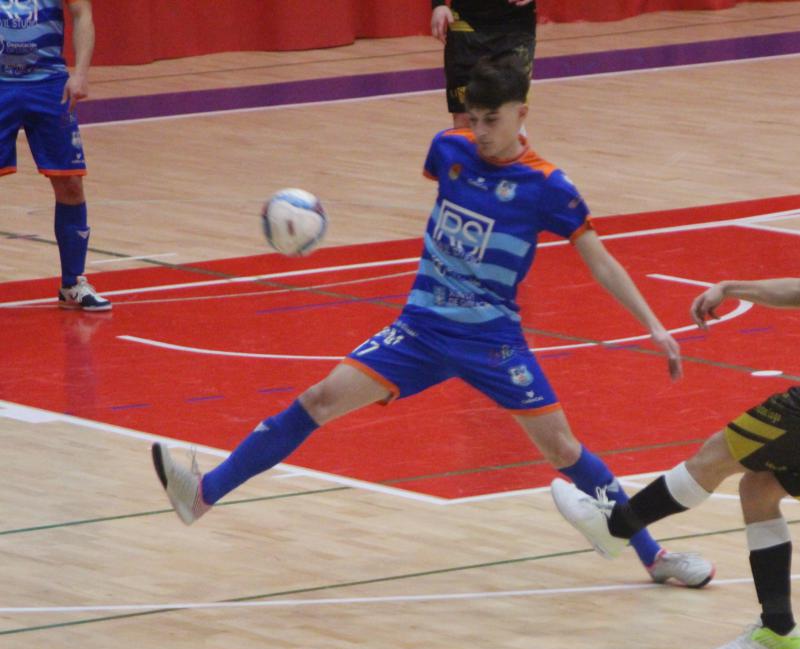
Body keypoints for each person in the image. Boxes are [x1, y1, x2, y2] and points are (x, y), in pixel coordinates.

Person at [152, 56, 715, 589]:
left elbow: (600, 259)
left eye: (492, 120)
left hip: (492, 341)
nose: (481, 131)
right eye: (474, 119)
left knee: (564, 450)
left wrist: (653, 324)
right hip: (420, 329)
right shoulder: (449, 149)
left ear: (522, 112)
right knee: (319, 400)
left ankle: (654, 556)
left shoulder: (548, 187)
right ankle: (202, 493)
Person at [552, 125, 800, 649]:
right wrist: (730, 288)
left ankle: (615, 527)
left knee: (716, 454)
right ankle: (778, 631)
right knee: (758, 491)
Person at [1, 0, 109, 310]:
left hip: (49, 85)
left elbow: (82, 13)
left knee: (71, 183)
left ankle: (72, 283)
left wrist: (81, 74)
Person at [431, 0, 536, 130]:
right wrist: (438, 4)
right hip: (465, 24)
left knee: (508, 112)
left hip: (515, 26)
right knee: (465, 118)